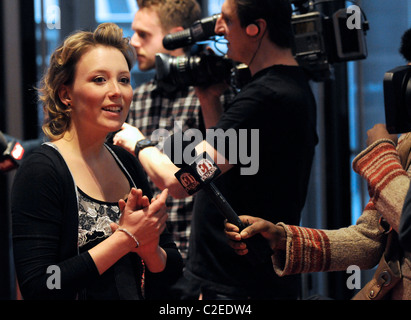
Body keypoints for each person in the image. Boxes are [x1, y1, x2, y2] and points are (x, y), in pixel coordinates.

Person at [115, 0, 318, 300]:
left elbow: (182, 182)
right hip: (250, 277)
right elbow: (227, 165)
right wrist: (210, 101)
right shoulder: (284, 87)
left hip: (237, 284)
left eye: (226, 20)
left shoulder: (263, 98)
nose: (218, 28)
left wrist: (138, 142)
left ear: (256, 29)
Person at [11, 22, 183, 300]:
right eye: (99, 79)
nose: (117, 91)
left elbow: (172, 269)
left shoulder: (126, 162)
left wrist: (151, 251)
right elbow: (41, 285)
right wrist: (125, 239)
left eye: (124, 79)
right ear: (66, 94)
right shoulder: (42, 170)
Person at [113, 0, 234, 264]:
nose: (133, 41)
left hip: (201, 255)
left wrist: (140, 144)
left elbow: (198, 179)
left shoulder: (212, 97)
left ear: (175, 36)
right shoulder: (138, 97)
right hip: (146, 252)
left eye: (143, 34)